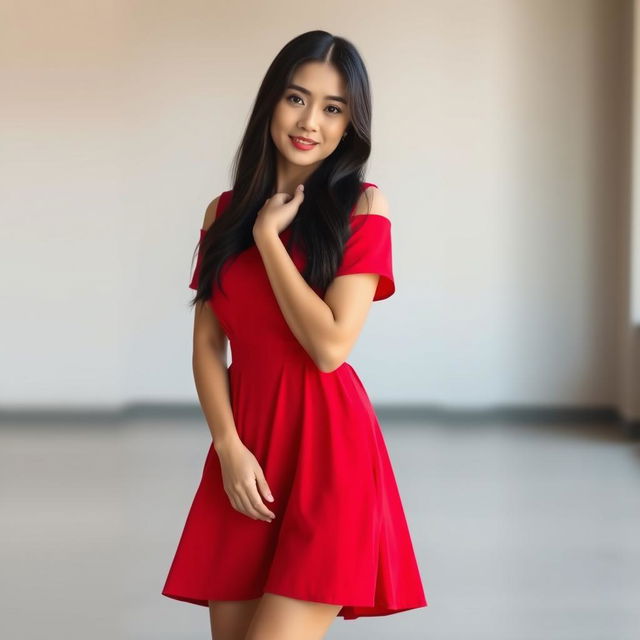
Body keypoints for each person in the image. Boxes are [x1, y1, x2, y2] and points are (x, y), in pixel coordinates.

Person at [162, 29, 428, 640]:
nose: (311, 121)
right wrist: (228, 446)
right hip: (247, 450)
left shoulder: (364, 207)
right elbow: (208, 344)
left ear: (350, 125)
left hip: (330, 453)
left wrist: (267, 240)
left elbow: (331, 346)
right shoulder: (221, 212)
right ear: (270, 105)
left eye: (334, 108)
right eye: (296, 98)